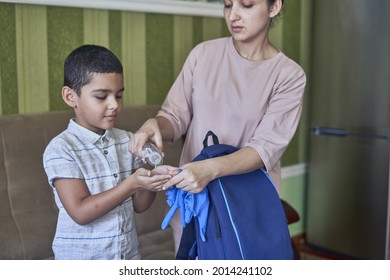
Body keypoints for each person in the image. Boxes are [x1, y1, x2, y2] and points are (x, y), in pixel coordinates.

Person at [130, 0, 306, 253]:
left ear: (274, 7)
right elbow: (175, 116)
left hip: (245, 207)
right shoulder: (203, 55)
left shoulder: (288, 75)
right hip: (193, 200)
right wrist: (155, 124)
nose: (233, 15)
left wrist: (209, 170)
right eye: (227, 5)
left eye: (246, 5)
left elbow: (264, 149)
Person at [43, 45, 177, 260]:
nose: (114, 105)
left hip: (126, 256)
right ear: (70, 96)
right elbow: (81, 212)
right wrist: (132, 183)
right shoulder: (62, 149)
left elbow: (140, 206)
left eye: (119, 95)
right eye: (101, 96)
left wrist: (152, 178)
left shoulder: (126, 140)